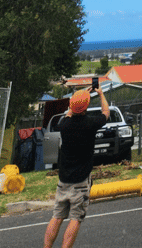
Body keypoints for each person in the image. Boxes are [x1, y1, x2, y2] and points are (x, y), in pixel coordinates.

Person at [43, 86, 109, 248]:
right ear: (86, 107)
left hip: (63, 180)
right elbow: (105, 113)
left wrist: (77, 98)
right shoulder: (90, 123)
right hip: (80, 181)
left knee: (57, 216)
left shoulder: (64, 125)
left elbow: (69, 113)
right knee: (75, 218)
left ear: (72, 107)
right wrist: (100, 94)